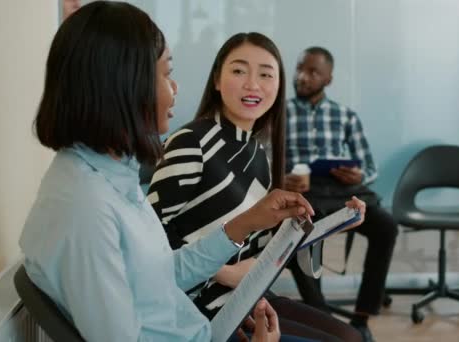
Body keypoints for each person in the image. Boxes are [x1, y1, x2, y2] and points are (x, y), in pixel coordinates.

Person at [19, 2, 316, 341]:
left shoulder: (111, 177)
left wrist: (247, 222)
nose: (174, 88)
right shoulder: (86, 208)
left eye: (266, 74)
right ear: (122, 84)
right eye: (165, 74)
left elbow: (160, 274)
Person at [147, 33, 364, 342]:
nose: (253, 84)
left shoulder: (258, 153)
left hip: (249, 296)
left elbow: (260, 251)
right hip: (201, 308)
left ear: (278, 86)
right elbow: (149, 236)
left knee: (352, 337)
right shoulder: (191, 142)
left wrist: (331, 226)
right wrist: (225, 272)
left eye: (265, 74)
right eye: (239, 71)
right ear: (218, 80)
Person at [284, 46, 399, 342]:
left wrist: (359, 175)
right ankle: (320, 315)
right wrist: (283, 179)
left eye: (312, 72)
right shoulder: (278, 114)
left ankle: (362, 317)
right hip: (303, 193)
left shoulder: (345, 116)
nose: (302, 77)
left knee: (386, 226)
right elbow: (263, 161)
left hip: (341, 191)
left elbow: (369, 167)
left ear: (328, 79)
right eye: (299, 69)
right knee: (299, 227)